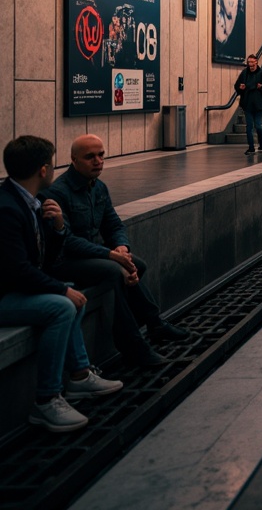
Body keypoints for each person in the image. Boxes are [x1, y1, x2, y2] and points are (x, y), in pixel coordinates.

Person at [0, 135, 124, 433]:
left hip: (16, 288)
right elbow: (16, 270)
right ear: (43, 170)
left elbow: (47, 261)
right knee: (62, 305)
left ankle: (80, 376)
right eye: (52, 165)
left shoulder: (37, 201)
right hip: (5, 295)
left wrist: (57, 229)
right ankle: (46, 400)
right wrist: (60, 289)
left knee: (70, 296)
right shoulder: (7, 209)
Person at [49, 134, 193, 366]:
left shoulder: (99, 187)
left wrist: (121, 248)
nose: (98, 161)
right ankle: (133, 345)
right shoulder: (58, 193)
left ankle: (154, 324)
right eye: (90, 157)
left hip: (92, 254)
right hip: (65, 261)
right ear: (73, 160)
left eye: (101, 155)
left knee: (137, 264)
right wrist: (111, 256)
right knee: (114, 271)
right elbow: (66, 241)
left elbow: (114, 224)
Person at [234, 54, 262, 155]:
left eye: (252, 62)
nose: (250, 64)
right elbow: (236, 86)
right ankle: (251, 147)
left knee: (258, 126)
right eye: (249, 62)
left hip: (259, 105)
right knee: (249, 127)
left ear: (256, 62)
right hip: (247, 104)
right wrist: (240, 88)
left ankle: (261, 145)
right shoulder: (244, 73)